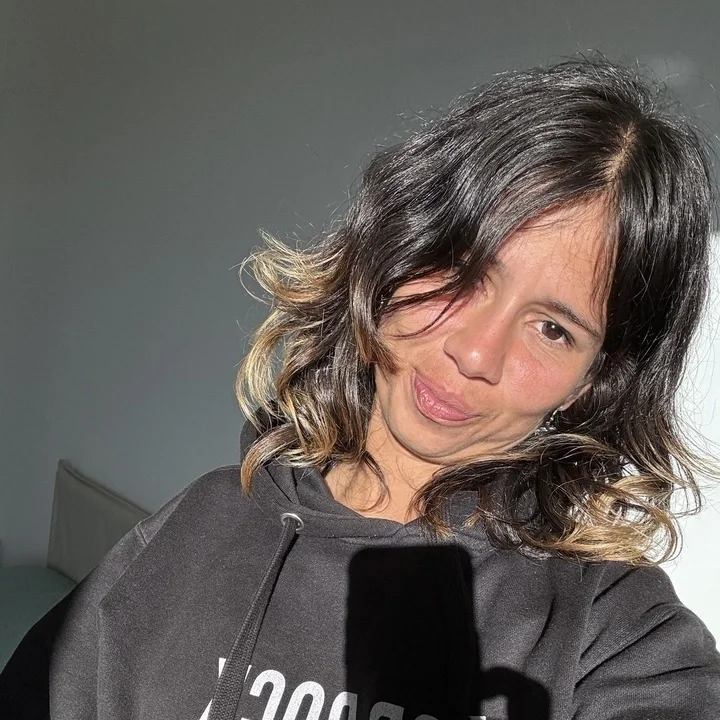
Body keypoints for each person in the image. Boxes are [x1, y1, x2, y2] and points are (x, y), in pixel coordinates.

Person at [2, 55, 720, 720]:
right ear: (396, 247)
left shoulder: (611, 635)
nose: (475, 352)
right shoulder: (199, 525)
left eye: (553, 329)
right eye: (462, 271)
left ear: (593, 380)